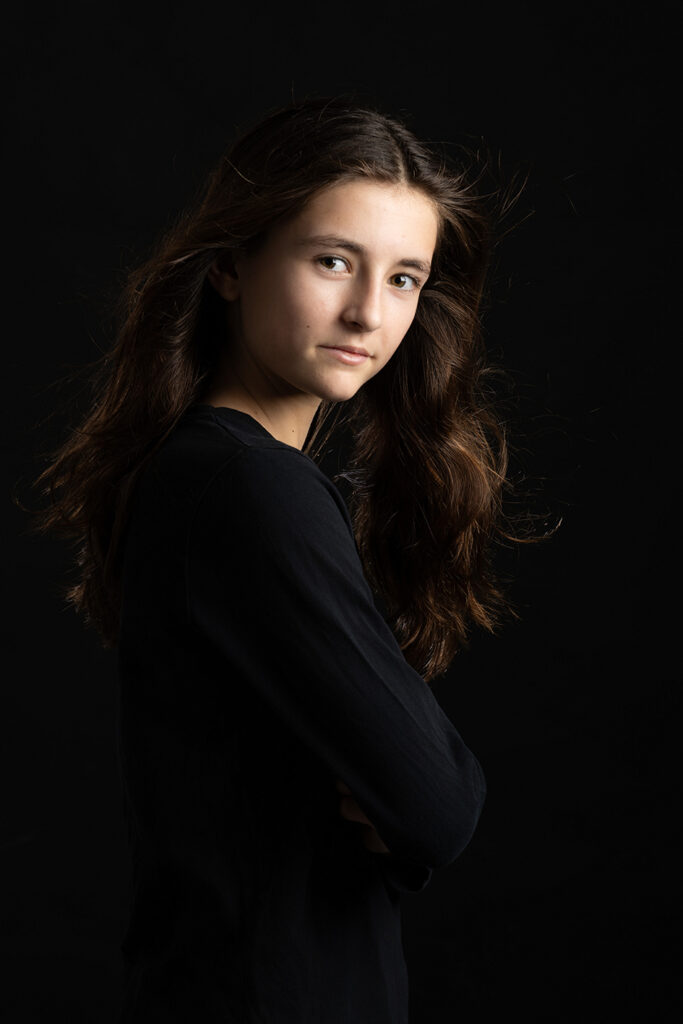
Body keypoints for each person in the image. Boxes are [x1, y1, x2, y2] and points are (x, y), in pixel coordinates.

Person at [30, 94, 517, 1022]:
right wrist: (406, 792)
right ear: (229, 264)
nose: (367, 312)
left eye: (404, 278)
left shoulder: (201, 471)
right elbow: (437, 804)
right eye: (332, 260)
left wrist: (399, 792)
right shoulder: (250, 486)